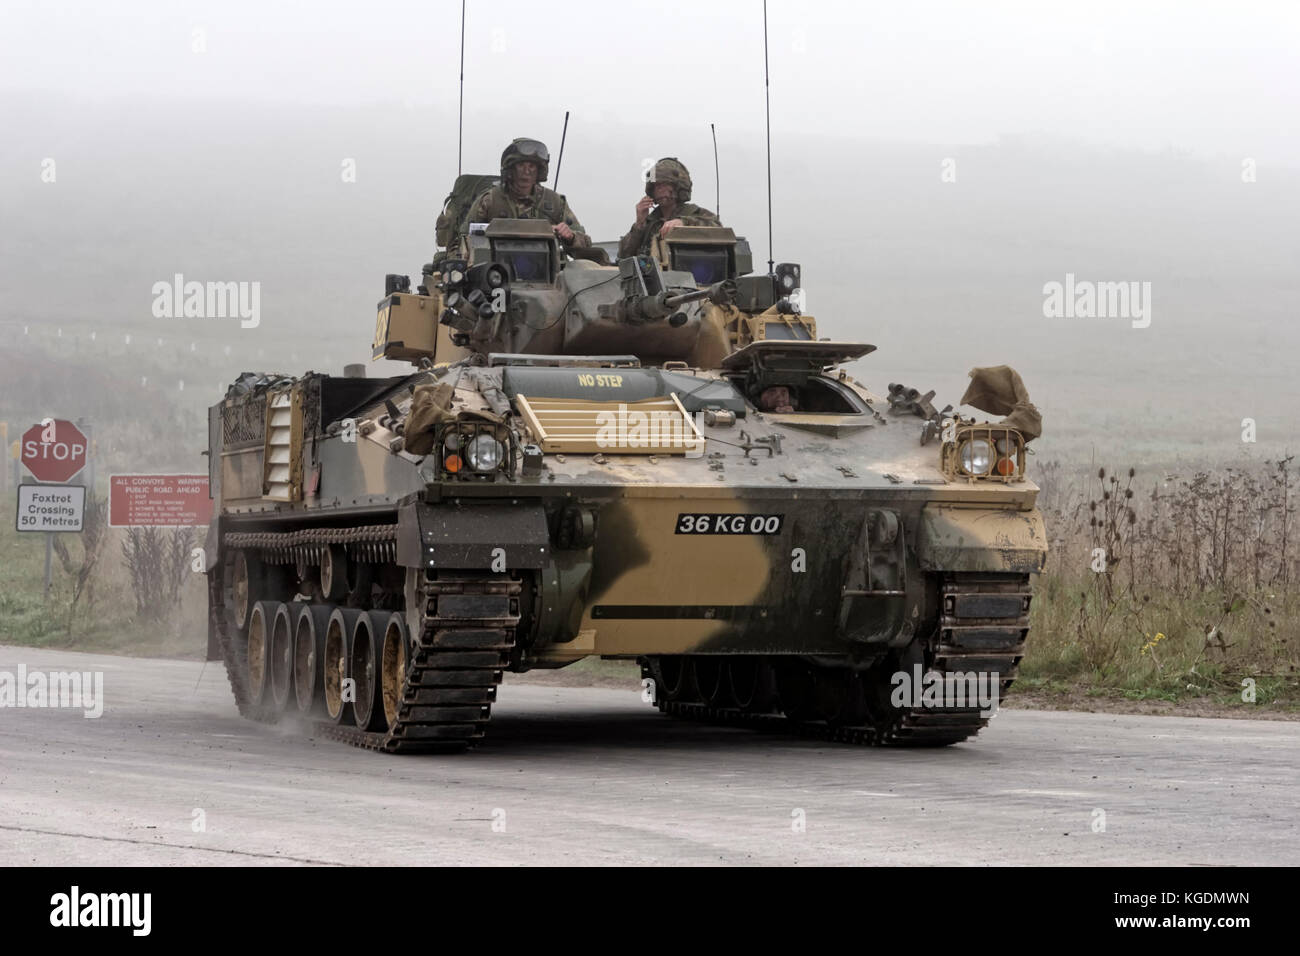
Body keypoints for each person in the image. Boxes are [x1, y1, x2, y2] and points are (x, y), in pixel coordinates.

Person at [463, 138, 591, 250]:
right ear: (511, 169)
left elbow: (586, 244)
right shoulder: (490, 200)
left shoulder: (555, 202)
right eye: (521, 165)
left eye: (531, 166)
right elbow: (462, 240)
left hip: (549, 272)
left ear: (539, 171)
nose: (526, 171)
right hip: (497, 272)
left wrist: (571, 237)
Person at [618, 158, 721, 258]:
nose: (660, 189)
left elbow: (719, 230)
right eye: (657, 185)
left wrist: (684, 223)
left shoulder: (695, 213)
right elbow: (624, 255)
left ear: (678, 187)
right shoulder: (650, 223)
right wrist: (639, 223)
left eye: (666, 184)